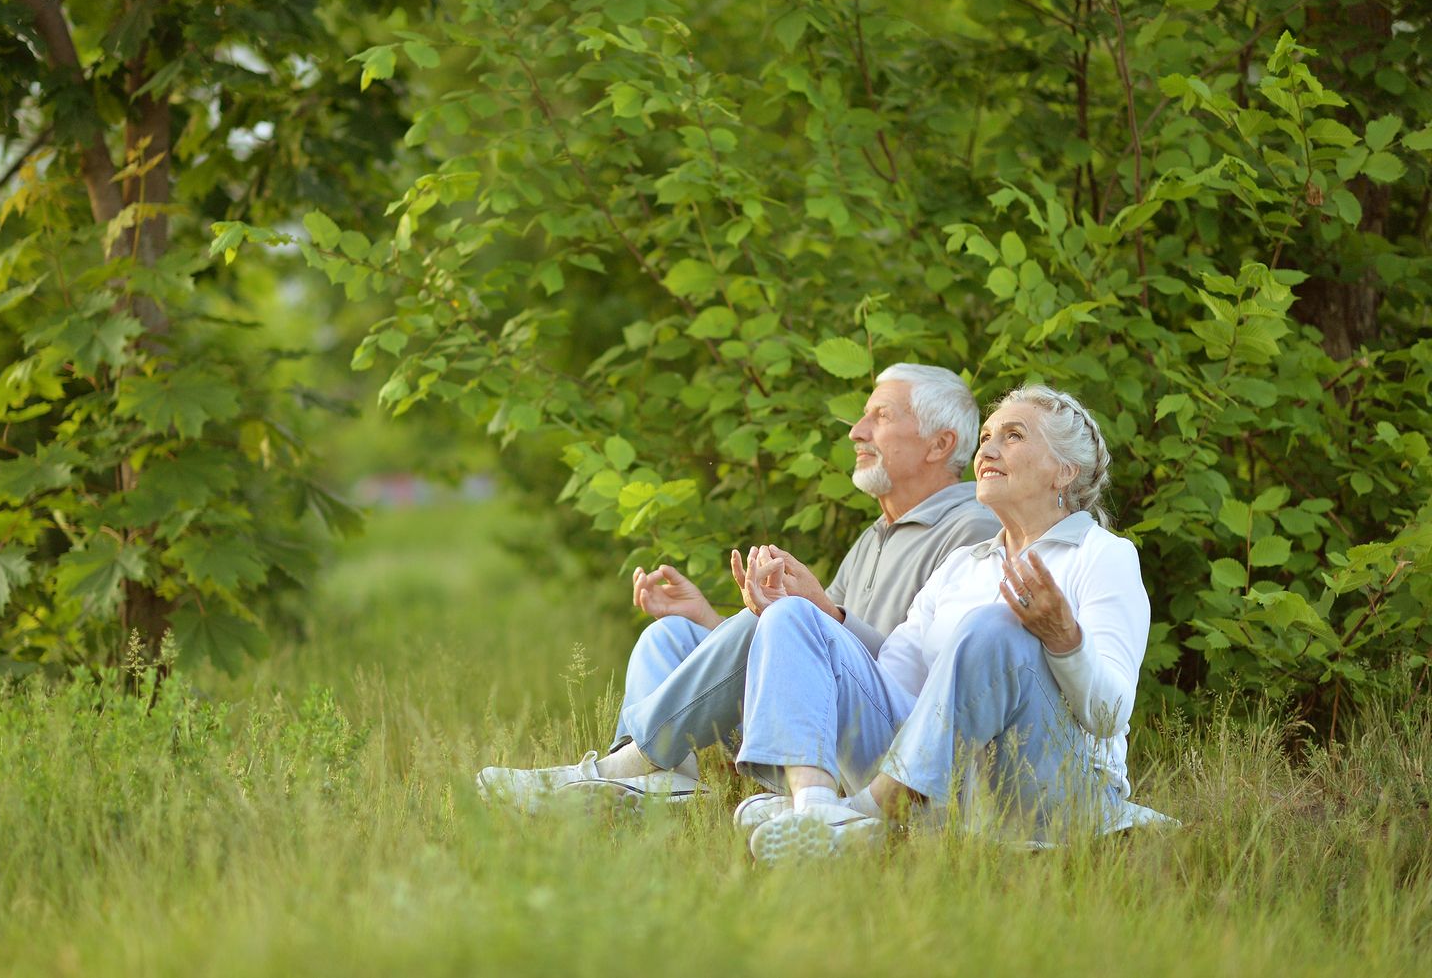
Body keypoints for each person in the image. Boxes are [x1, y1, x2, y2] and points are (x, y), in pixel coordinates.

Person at [476, 364, 1001, 812]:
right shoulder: (876, 534)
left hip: (886, 743)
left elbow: (930, 678)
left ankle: (619, 768)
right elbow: (807, 643)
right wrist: (711, 621)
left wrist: (821, 612)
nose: (856, 432)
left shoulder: (971, 531)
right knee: (673, 635)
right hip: (821, 705)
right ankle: (657, 787)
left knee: (769, 620)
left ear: (941, 444)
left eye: (880, 416)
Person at [729, 383, 1169, 863]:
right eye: (985, 437)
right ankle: (813, 811)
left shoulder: (1104, 555)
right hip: (946, 789)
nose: (988, 450)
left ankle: (863, 813)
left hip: (1049, 789)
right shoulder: (962, 565)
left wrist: (1065, 640)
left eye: (1014, 436)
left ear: (1065, 471)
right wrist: (818, 617)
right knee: (792, 616)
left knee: (997, 627)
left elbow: (1110, 715)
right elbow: (889, 680)